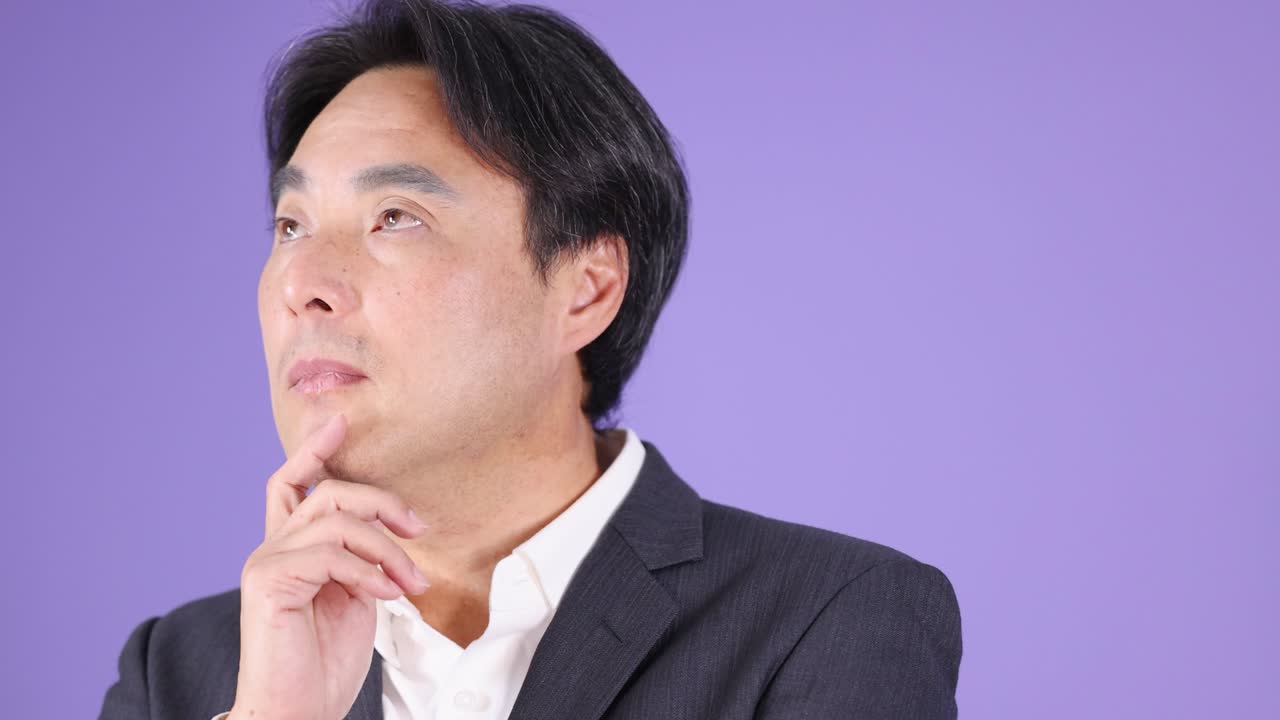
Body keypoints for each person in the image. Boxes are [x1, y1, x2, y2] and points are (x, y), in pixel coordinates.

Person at [97, 1, 962, 718]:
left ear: (585, 289)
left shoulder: (828, 619)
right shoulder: (182, 671)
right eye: (289, 227)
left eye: (395, 216)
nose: (302, 285)